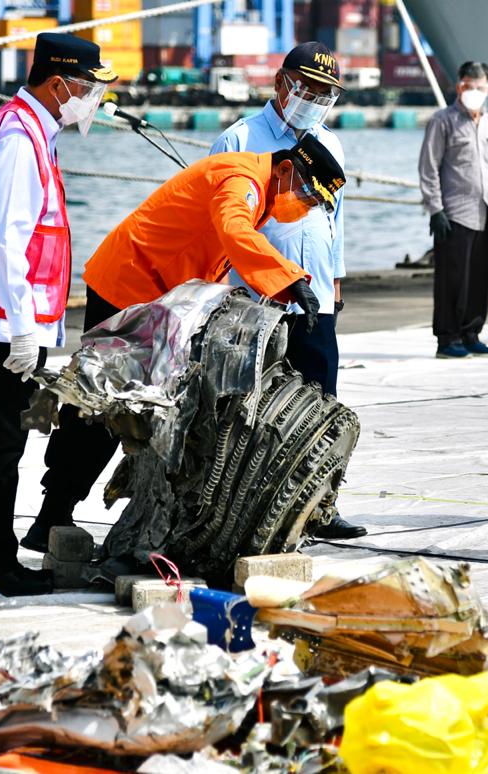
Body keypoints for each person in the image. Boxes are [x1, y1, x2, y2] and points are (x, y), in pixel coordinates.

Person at [20, 134, 345, 551]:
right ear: (285, 170)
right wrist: (292, 280)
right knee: (104, 402)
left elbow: (216, 255)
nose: (303, 205)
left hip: (160, 295)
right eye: (305, 194)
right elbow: (234, 229)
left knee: (141, 406)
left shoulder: (261, 190)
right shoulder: (241, 179)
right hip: (130, 283)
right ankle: (52, 516)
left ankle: (71, 513)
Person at [0, 32, 115, 596]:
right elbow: (6, 239)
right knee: (2, 443)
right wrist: (21, 327)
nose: (93, 101)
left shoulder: (32, 128)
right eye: (88, 89)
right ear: (59, 84)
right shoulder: (18, 137)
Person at [208, 42, 365, 541]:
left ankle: (320, 508)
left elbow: (335, 222)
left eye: (326, 93)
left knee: (321, 405)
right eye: (308, 88)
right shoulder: (240, 140)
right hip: (255, 303)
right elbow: (221, 227)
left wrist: (334, 282)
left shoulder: (331, 144)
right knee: (252, 411)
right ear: (281, 84)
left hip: (315, 297)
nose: (316, 99)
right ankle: (249, 512)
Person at [418, 60, 488, 359]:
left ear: (487, 88)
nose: (474, 91)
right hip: (454, 213)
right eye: (469, 86)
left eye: (480, 87)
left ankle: (472, 333)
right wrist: (435, 209)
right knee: (452, 281)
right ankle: (447, 338)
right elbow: (429, 167)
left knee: (480, 279)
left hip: (485, 211)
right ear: (459, 86)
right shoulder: (443, 121)